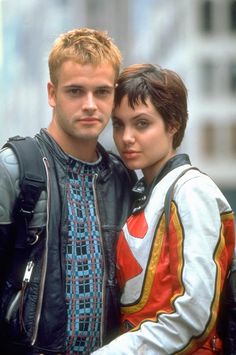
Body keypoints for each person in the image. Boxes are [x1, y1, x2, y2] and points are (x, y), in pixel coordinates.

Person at [0, 28, 136, 354]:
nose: (90, 105)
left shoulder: (123, 179)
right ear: (52, 93)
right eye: (75, 91)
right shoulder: (16, 169)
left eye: (101, 92)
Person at [92, 64, 236, 354]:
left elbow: (194, 316)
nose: (127, 137)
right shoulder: (145, 193)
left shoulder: (191, 190)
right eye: (119, 124)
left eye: (142, 123)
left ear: (173, 124)